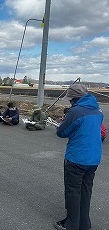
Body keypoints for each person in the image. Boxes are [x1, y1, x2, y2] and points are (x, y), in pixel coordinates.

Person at [55, 84, 103, 230]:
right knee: (86, 190)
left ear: (75, 99)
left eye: (70, 99)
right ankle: (84, 224)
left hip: (77, 157)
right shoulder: (98, 109)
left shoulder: (75, 111)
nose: (70, 102)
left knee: (73, 192)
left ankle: (71, 224)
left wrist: (63, 122)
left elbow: (62, 132)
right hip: (94, 158)